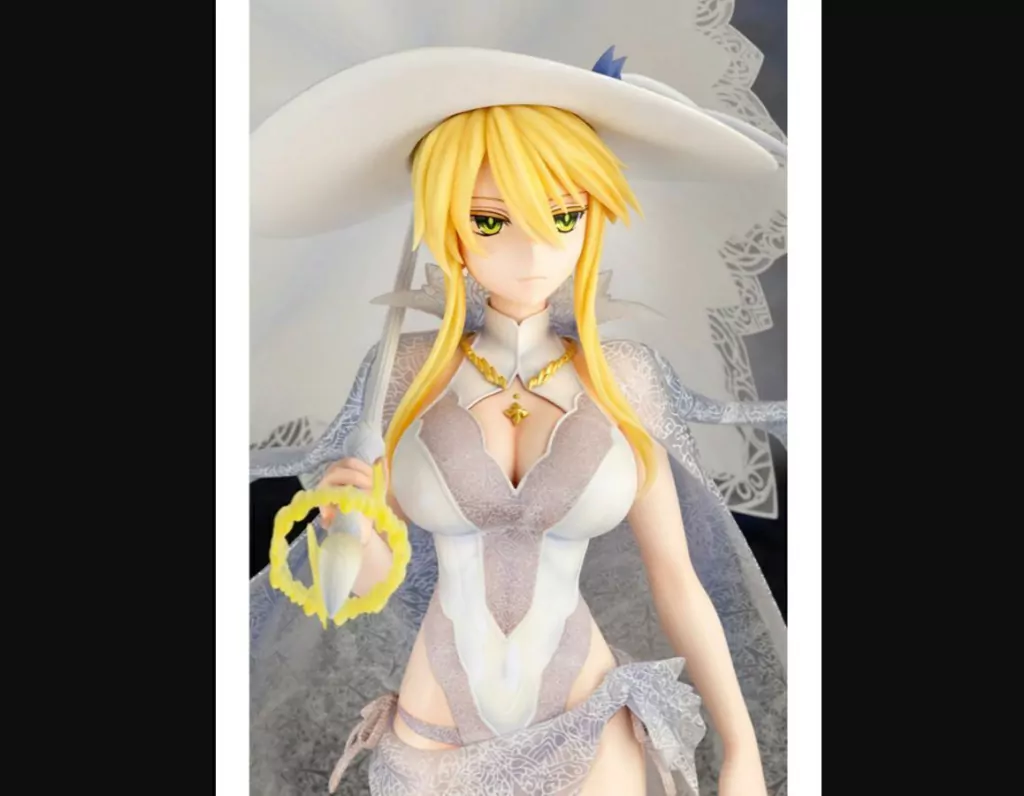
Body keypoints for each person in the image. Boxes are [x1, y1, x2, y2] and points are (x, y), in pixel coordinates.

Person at [249, 46, 787, 796]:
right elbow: (361, 588)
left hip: (589, 730)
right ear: (449, 229)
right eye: (491, 220)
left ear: (594, 216)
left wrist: (741, 749)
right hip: (435, 740)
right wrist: (354, 527)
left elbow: (678, 580)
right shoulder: (407, 373)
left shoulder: (621, 378)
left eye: (563, 216)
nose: (533, 250)